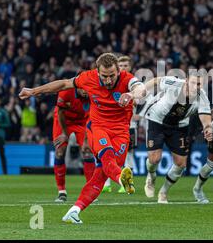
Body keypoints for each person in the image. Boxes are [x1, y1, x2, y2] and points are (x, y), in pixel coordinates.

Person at [19, 53, 146, 224]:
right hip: (98, 127)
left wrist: (131, 95)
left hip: (121, 133)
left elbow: (141, 88)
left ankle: (74, 211)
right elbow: (64, 84)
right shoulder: (88, 78)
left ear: (118, 71)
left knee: (100, 177)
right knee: (107, 156)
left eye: (112, 76)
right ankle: (121, 179)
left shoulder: (127, 78)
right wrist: (34, 91)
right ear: (97, 72)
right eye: (104, 76)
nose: (108, 81)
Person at [142, 74, 213, 204]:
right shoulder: (173, 83)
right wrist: (142, 89)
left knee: (181, 164)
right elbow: (157, 80)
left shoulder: (202, 97)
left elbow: (205, 117)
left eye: (199, 84)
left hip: (179, 127)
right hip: (156, 120)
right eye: (193, 83)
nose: (195, 86)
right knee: (154, 159)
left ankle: (163, 192)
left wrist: (208, 129)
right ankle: (151, 177)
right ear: (186, 81)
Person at [102, 55, 141, 193]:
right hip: (111, 125)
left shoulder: (132, 83)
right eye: (121, 65)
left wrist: (133, 100)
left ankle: (127, 182)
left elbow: (141, 102)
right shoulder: (110, 82)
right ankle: (106, 183)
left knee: (128, 153)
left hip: (130, 126)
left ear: (130, 67)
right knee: (108, 153)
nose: (123, 67)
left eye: (126, 65)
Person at [52, 87, 94, 203]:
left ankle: (91, 191)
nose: (86, 91)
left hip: (82, 121)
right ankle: (61, 192)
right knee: (60, 151)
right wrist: (65, 134)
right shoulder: (66, 91)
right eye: (84, 89)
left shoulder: (93, 93)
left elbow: (91, 118)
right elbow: (60, 112)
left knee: (87, 151)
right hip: (63, 120)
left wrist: (86, 140)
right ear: (78, 86)